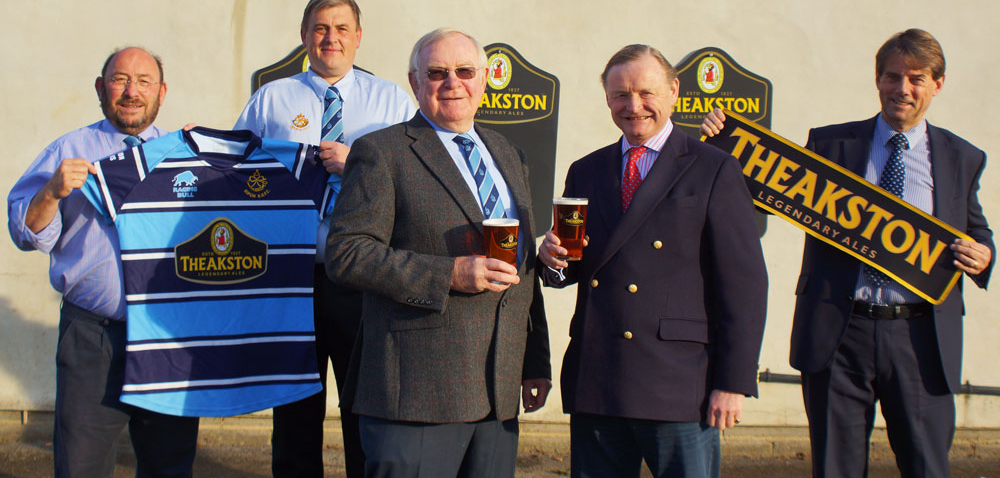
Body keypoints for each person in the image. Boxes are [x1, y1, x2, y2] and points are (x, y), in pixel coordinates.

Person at [701, 28, 994, 477]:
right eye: (893, 77)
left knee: (927, 466)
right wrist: (723, 146)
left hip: (921, 338)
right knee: (835, 468)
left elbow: (976, 230)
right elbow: (768, 190)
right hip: (840, 332)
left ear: (938, 83)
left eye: (916, 78)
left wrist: (984, 256)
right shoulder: (832, 144)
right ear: (877, 80)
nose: (903, 89)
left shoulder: (961, 156)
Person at [325, 28, 552, 477]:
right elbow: (347, 253)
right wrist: (448, 275)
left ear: (484, 79)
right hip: (415, 396)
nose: (453, 83)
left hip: (497, 397)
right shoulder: (381, 152)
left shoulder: (508, 154)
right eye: (437, 72)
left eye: (465, 71)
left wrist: (534, 361)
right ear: (414, 82)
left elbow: (518, 269)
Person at [538, 44, 768, 478]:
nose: (634, 106)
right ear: (607, 99)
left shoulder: (712, 168)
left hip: (679, 386)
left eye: (646, 92)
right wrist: (553, 260)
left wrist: (734, 381)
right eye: (621, 95)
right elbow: (579, 266)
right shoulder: (586, 170)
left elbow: (744, 284)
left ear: (674, 91)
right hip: (599, 379)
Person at [233, 0, 414, 478]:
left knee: (364, 409)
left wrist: (355, 162)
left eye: (340, 29)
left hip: (362, 279)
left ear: (358, 37)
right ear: (304, 36)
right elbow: (236, 172)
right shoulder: (272, 98)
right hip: (293, 277)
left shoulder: (390, 100)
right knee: (294, 409)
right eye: (319, 28)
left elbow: (411, 176)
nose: (330, 38)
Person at [7, 46, 200, 477]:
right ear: (101, 87)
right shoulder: (68, 150)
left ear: (161, 92)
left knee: (170, 465)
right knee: (81, 465)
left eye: (144, 81)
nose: (132, 91)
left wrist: (212, 161)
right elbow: (26, 234)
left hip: (169, 339)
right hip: (93, 338)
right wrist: (52, 192)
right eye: (120, 80)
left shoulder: (185, 156)